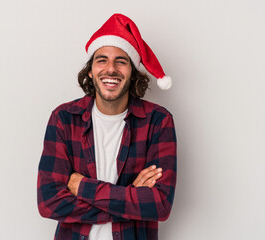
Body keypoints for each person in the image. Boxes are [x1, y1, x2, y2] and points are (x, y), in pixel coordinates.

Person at [37, 13, 177, 240]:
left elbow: (160, 204)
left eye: (121, 61)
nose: (110, 69)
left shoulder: (158, 121)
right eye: (101, 60)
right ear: (91, 71)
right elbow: (49, 202)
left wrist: (81, 186)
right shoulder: (64, 118)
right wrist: (131, 197)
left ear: (132, 73)